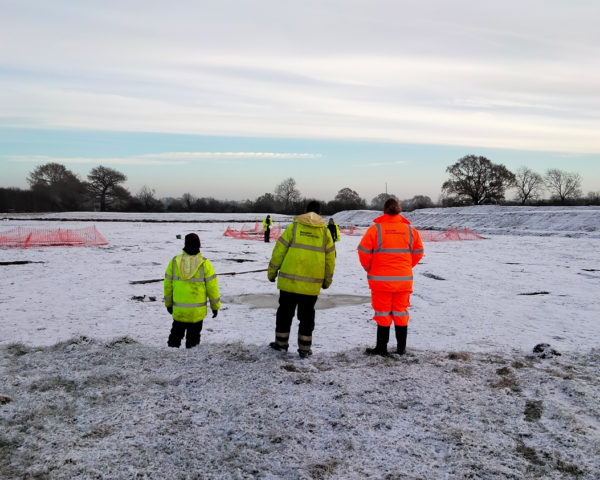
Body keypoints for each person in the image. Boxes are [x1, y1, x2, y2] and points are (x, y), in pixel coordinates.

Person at [267, 201, 336, 358]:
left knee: (284, 314)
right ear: (320, 213)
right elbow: (330, 260)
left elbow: (279, 251)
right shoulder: (325, 233)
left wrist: (272, 272)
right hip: (311, 285)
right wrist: (327, 281)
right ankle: (304, 348)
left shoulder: (294, 227)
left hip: (288, 283)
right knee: (307, 317)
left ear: (305, 211)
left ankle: (281, 344)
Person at [357, 198, 424, 356]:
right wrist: (407, 266)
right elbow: (419, 252)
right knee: (401, 313)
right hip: (403, 281)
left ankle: (381, 348)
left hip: (381, 282)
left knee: (383, 314)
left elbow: (363, 251)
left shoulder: (375, 230)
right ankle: (401, 349)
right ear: (399, 210)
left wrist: (369, 267)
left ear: (384, 210)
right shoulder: (410, 230)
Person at [164, 233, 221, 348]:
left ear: (185, 244)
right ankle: (190, 360)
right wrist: (215, 307)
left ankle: (170, 358)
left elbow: (168, 286)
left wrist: (168, 304)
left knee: (175, 337)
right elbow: (212, 288)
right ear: (199, 245)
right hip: (196, 313)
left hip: (179, 311)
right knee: (193, 340)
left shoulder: (174, 262)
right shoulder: (205, 263)